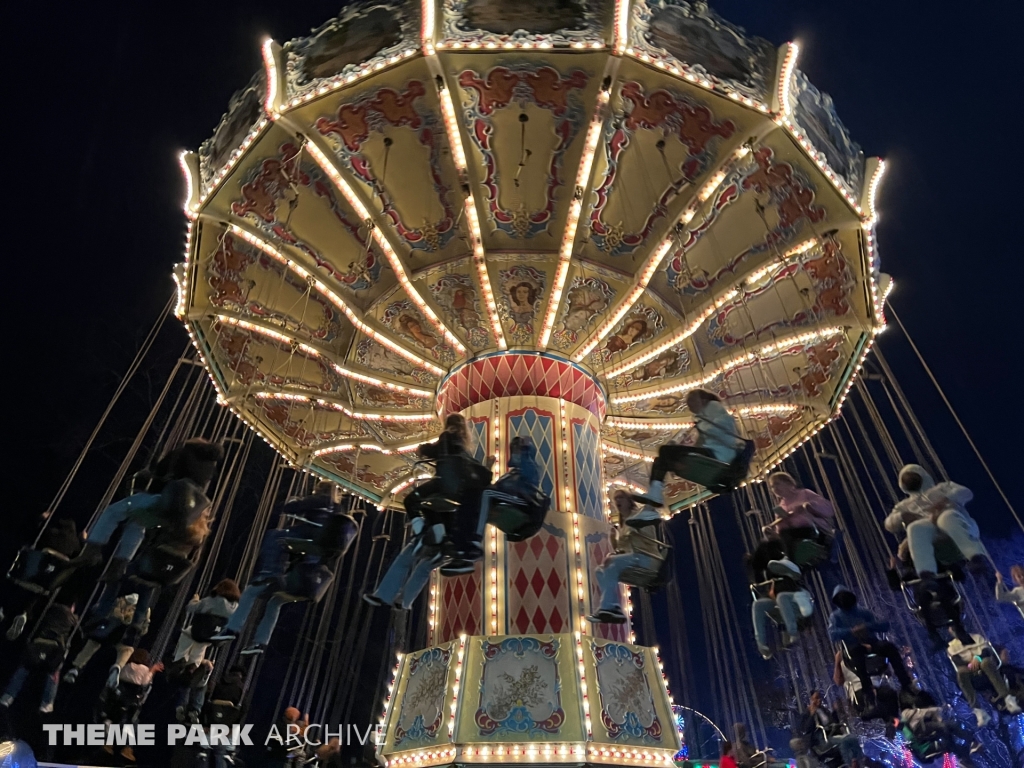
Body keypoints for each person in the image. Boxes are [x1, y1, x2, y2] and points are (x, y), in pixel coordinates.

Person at [214, 483, 354, 654]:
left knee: (273, 541)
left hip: (302, 564)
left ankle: (233, 627)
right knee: (275, 602)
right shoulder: (338, 511)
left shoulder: (320, 500)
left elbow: (290, 507)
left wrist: (296, 500)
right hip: (311, 582)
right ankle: (260, 642)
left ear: (319, 490)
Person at [630, 389, 744, 524]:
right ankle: (652, 501)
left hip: (718, 456)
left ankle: (654, 498)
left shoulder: (713, 407)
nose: (689, 406)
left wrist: (702, 428)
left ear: (703, 400)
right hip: (714, 455)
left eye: (691, 401)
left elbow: (724, 424)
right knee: (661, 459)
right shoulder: (703, 415)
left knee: (666, 451)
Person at [885, 464, 990, 582]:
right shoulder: (905, 505)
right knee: (915, 528)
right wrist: (902, 515)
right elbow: (889, 524)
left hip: (956, 529)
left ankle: (975, 557)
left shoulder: (942, 488)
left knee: (946, 517)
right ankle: (926, 574)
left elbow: (966, 492)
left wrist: (945, 500)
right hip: (936, 542)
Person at [827, 585, 916, 704]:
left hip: (871, 643)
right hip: (853, 647)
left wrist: (867, 627)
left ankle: (905, 683)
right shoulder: (835, 617)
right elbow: (832, 634)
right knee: (857, 654)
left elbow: (883, 625)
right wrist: (850, 631)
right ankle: (867, 690)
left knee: (889, 647)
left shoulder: (863, 612)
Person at [588, 491, 665, 624]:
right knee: (599, 570)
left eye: (621, 497)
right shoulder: (623, 526)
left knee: (611, 564)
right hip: (636, 558)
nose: (618, 501)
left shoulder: (640, 515)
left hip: (648, 557)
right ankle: (613, 607)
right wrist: (613, 540)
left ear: (629, 501)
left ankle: (609, 607)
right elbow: (623, 549)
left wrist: (636, 495)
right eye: (616, 498)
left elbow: (651, 506)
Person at [886, 554, 972, 651]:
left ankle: (946, 631)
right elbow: (896, 586)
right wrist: (892, 570)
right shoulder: (912, 574)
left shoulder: (939, 567)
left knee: (938, 592)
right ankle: (937, 634)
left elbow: (959, 576)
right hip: (929, 605)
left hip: (945, 599)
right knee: (925, 595)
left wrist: (952, 566)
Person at [0, 603, 76, 712]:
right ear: (72, 607)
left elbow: (35, 620)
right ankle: (47, 703)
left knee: (25, 666)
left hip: (39, 642)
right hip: (56, 648)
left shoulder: (48, 607)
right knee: (54, 672)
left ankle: (9, 695)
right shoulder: (73, 619)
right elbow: (78, 637)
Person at [747, 537, 813, 659]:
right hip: (780, 604)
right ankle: (762, 645)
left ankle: (793, 633)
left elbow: (796, 574)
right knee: (758, 605)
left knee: (782, 597)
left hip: (796, 600)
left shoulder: (787, 564)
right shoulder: (770, 575)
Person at [62, 593, 147, 685]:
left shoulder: (120, 599)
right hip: (122, 635)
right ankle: (118, 666)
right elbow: (143, 628)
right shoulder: (144, 608)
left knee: (93, 644)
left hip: (107, 630)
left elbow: (110, 612)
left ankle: (76, 667)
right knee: (127, 649)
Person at [945, 630, 1021, 725]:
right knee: (961, 673)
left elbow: (986, 650)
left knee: (986, 663)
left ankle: (1007, 697)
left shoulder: (977, 638)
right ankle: (977, 709)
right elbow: (957, 661)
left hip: (985, 664)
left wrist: (977, 658)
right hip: (971, 670)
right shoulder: (952, 647)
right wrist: (971, 663)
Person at [172, 578, 240, 666]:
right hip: (210, 637)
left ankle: (179, 662)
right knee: (197, 655)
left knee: (184, 642)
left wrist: (195, 599)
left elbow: (191, 607)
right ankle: (192, 670)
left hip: (196, 632)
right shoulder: (237, 608)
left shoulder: (213, 600)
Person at [765, 472, 835, 553]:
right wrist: (773, 529)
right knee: (777, 539)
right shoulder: (781, 506)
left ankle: (792, 558)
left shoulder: (805, 493)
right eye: (772, 487)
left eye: (777, 484)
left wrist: (808, 506)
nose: (774, 488)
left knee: (789, 535)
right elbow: (781, 530)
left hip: (815, 530)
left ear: (788, 483)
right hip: (796, 535)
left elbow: (828, 509)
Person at [798, 689, 863, 768]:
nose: (819, 700)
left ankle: (859, 762)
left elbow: (832, 722)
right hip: (820, 741)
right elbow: (806, 729)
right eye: (816, 698)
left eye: (820, 698)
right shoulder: (806, 714)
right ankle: (850, 765)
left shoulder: (824, 710)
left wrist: (836, 711)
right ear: (811, 700)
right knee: (845, 742)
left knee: (853, 739)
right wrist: (812, 715)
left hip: (831, 735)